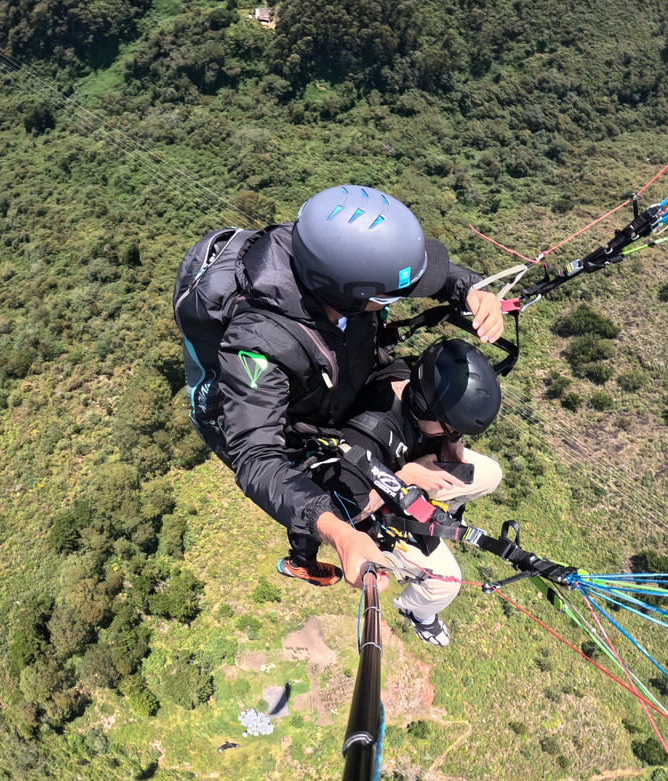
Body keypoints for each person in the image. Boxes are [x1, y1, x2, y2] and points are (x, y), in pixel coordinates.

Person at [189, 185, 504, 592]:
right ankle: (303, 557)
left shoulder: (327, 253)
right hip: (291, 425)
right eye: (390, 295)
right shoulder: (258, 343)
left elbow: (416, 274)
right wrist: (342, 534)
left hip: (336, 387)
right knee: (319, 489)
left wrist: (471, 290)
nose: (404, 297)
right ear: (352, 296)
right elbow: (257, 458)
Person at [309, 338, 503, 646]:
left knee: (491, 474)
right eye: (451, 427)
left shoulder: (406, 375)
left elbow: (438, 425)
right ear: (426, 408)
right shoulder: (367, 437)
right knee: (446, 583)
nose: (455, 435)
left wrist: (450, 442)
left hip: (410, 467)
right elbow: (347, 513)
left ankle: (435, 507)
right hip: (377, 509)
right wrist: (408, 478)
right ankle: (416, 612)